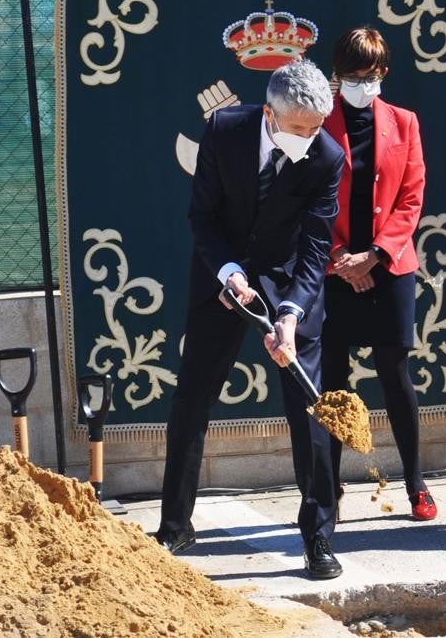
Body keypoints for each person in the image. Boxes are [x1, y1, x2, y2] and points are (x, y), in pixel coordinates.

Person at [154, 59, 345, 580]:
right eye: (299, 128)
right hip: (223, 277)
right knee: (192, 397)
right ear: (269, 113)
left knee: (310, 409)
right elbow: (203, 216)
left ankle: (319, 538)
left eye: (317, 129)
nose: (309, 139)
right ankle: (174, 526)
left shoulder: (327, 157)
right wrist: (230, 273)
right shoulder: (224, 129)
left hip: (288, 284)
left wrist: (290, 313)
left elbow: (314, 246)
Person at [319, 27, 435, 522]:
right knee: (334, 379)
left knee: (395, 374)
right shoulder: (316, 121)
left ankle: (416, 484)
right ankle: (328, 485)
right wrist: (344, 257)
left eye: (369, 75)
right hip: (334, 266)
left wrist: (376, 256)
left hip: (389, 268)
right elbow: (308, 199)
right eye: (350, 76)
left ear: (383, 73)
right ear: (336, 76)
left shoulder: (404, 122)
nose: (360, 84)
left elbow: (412, 198)